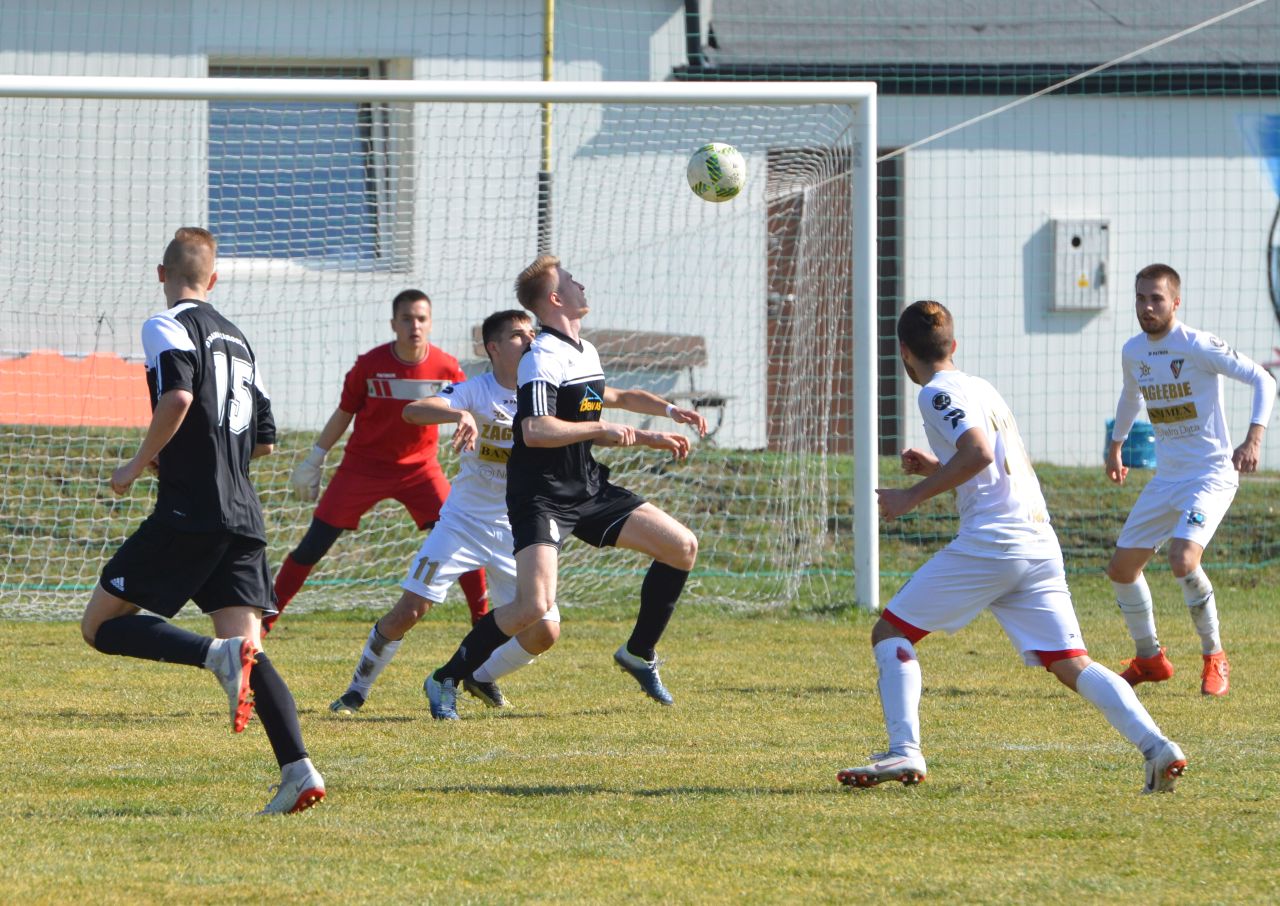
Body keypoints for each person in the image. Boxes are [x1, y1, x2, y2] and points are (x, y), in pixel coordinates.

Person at [840, 299, 1186, 793]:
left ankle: (904, 750)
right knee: (1072, 663)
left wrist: (910, 496)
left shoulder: (935, 393)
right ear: (954, 345)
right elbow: (992, 464)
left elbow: (979, 453)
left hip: (994, 542)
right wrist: (937, 468)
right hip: (1038, 541)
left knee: (890, 632)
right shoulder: (981, 387)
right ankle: (1157, 746)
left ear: (903, 353)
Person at [79, 227, 324, 815]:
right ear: (213, 279)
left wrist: (137, 463)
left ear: (162, 275)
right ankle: (299, 770)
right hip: (243, 513)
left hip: (192, 509)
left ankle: (212, 657)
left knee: (99, 625)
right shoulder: (240, 340)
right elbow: (264, 440)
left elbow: (179, 397)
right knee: (249, 649)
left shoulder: (166, 324)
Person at [423, 255, 708, 719]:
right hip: (540, 495)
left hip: (586, 487)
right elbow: (536, 430)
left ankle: (639, 652)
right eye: (572, 280)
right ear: (555, 298)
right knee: (532, 607)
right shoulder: (542, 358)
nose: (582, 285)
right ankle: (446, 677)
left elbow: (610, 399)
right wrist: (601, 429)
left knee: (682, 547)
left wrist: (665, 418)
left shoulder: (583, 351)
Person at [329, 309, 560, 714]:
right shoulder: (475, 390)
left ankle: (478, 675)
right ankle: (356, 690)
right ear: (492, 348)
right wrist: (459, 413)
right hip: (464, 523)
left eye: (532, 333)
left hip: (519, 528)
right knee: (408, 612)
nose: (529, 340)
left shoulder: (544, 392)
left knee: (545, 631)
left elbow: (603, 401)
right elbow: (414, 410)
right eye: (517, 335)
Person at [268, 289, 488, 631]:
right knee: (313, 545)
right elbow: (344, 413)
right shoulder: (370, 365)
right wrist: (315, 457)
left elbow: (472, 409)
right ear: (393, 324)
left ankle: (483, 624)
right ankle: (264, 623)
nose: (414, 326)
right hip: (362, 468)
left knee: (460, 538)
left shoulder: (447, 367)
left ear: (431, 324)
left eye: (421, 319)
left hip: (421, 470)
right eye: (406, 319)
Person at [1104, 264, 1275, 696]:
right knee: (1121, 570)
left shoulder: (1197, 345)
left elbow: (1263, 378)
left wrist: (1253, 439)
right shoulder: (1133, 351)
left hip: (1211, 475)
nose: (1146, 307)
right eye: (1140, 298)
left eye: (1156, 299)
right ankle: (1149, 659)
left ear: (1175, 302)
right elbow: (1131, 396)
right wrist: (1116, 444)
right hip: (1168, 479)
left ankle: (1214, 656)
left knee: (1182, 559)